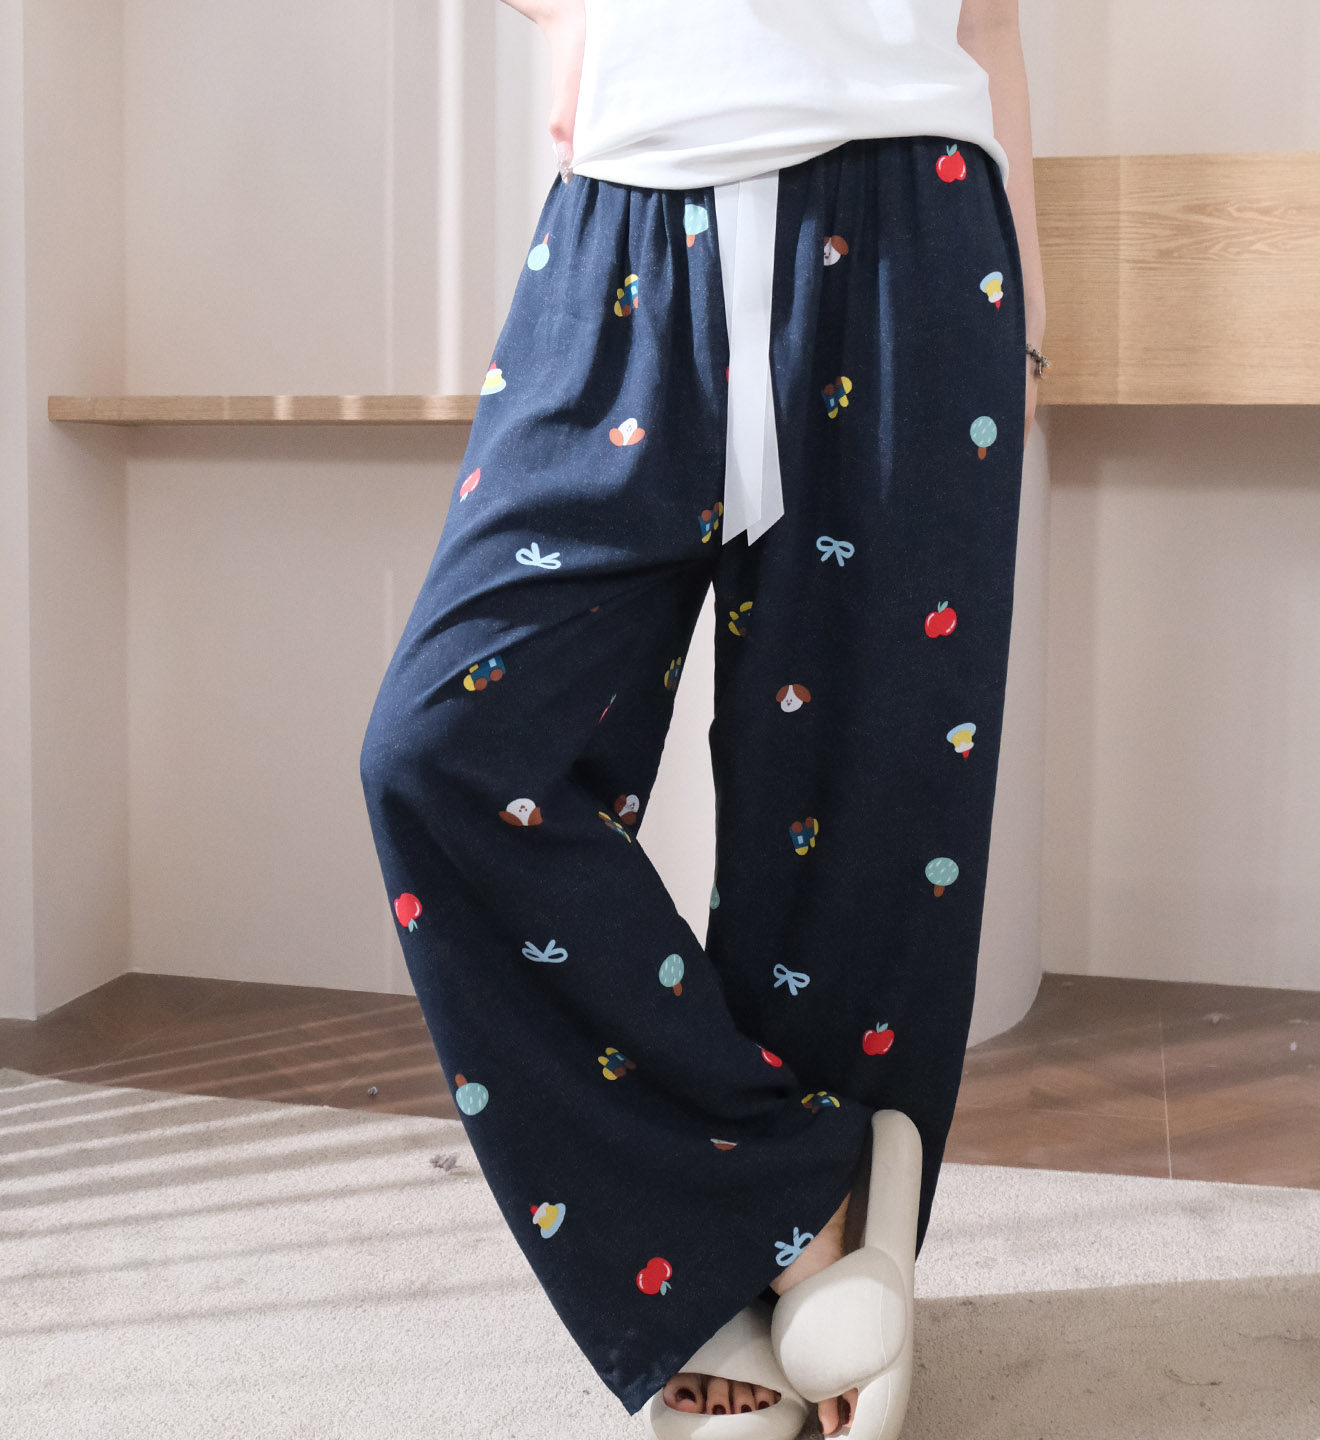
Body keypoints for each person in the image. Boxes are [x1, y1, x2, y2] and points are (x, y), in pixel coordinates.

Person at [359, 2, 1047, 1436]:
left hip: (907, 220)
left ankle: (807, 1275)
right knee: (445, 750)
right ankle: (782, 1191)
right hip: (623, 221)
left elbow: (988, 17)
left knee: (856, 797)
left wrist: (1025, 331)